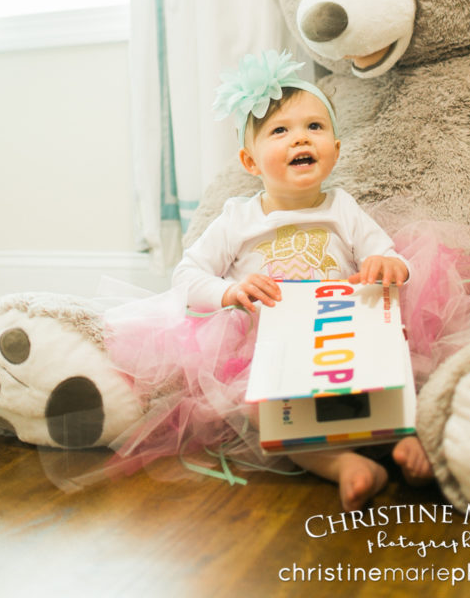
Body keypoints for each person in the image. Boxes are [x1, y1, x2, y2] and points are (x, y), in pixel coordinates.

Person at [171, 50, 433, 510]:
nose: (300, 139)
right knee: (264, 410)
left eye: (314, 127)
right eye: (280, 131)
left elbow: (388, 254)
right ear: (250, 162)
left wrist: (388, 266)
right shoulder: (238, 219)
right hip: (273, 350)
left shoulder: (342, 209)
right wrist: (230, 291)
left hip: (345, 335)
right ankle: (344, 466)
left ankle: (409, 437)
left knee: (402, 373)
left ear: (335, 148)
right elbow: (186, 276)